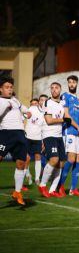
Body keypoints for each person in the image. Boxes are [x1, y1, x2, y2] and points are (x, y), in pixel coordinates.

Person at [39, 82, 79, 198]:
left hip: (59, 136)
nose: (54, 90)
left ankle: (52, 190)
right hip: (49, 135)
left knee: (61, 163)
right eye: (52, 88)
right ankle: (42, 185)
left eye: (56, 88)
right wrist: (63, 120)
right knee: (54, 159)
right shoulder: (47, 102)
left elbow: (67, 117)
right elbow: (49, 120)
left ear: (60, 90)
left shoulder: (62, 103)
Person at [0, 77, 32, 205]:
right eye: (7, 87)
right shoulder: (1, 101)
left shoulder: (15, 100)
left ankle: (17, 192)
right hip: (6, 133)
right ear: (1, 89)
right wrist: (5, 107)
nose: (9, 89)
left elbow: (24, 109)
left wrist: (27, 113)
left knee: (21, 163)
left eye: (11, 87)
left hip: (19, 134)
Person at [58, 75, 79, 196]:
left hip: (78, 134)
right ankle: (60, 185)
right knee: (71, 159)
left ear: (77, 83)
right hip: (69, 132)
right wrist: (78, 128)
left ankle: (73, 189)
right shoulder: (65, 96)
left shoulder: (77, 100)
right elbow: (66, 116)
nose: (71, 84)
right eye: (69, 82)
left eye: (73, 82)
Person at [24, 96, 46, 186]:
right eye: (41, 100)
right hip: (28, 137)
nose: (34, 105)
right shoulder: (31, 109)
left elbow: (45, 127)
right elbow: (24, 116)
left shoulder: (45, 112)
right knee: (27, 158)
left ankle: (37, 179)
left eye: (35, 103)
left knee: (38, 157)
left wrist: (44, 140)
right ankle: (26, 175)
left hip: (38, 138)